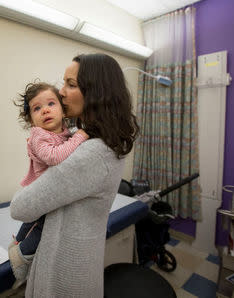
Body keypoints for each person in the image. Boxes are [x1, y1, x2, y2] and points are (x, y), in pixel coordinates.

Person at [10, 53, 139, 297]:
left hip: (63, 273)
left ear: (95, 92)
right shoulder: (106, 140)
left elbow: (20, 208)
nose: (61, 92)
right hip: (79, 261)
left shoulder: (91, 153)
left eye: (71, 85)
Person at [9, 81, 89, 287]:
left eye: (51, 104)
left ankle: (16, 242)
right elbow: (53, 157)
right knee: (42, 224)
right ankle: (22, 254)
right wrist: (79, 138)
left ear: (63, 110)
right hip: (42, 192)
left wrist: (74, 136)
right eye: (37, 108)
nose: (45, 110)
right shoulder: (39, 135)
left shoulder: (64, 131)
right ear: (31, 119)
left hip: (49, 189)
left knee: (30, 221)